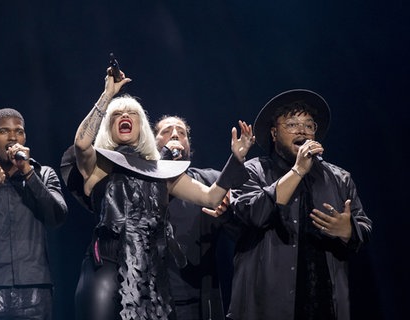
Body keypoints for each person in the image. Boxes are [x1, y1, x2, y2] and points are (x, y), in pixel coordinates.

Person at [60, 67, 255, 320]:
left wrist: (236, 160)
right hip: (107, 267)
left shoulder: (161, 172)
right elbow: (81, 144)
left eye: (132, 113)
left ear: (142, 127)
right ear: (109, 125)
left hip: (152, 277)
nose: (124, 116)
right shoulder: (99, 163)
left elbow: (211, 197)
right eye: (117, 114)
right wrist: (107, 95)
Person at [226, 89, 373, 320]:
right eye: (292, 124)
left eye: (309, 125)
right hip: (267, 305)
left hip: (325, 304)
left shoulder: (339, 178)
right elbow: (253, 214)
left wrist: (349, 230)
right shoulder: (253, 171)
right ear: (274, 133)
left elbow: (364, 227)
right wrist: (297, 171)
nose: (302, 130)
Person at [0, 108, 68, 319]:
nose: (13, 137)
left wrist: (28, 173)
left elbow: (57, 216)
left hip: (35, 290)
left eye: (19, 131)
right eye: (4, 131)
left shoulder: (43, 173)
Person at [154, 115, 238, 320]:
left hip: (198, 301)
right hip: (150, 299)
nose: (175, 134)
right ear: (152, 142)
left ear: (188, 146)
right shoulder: (139, 182)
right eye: (166, 131)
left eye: (182, 133)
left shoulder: (209, 180)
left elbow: (247, 217)